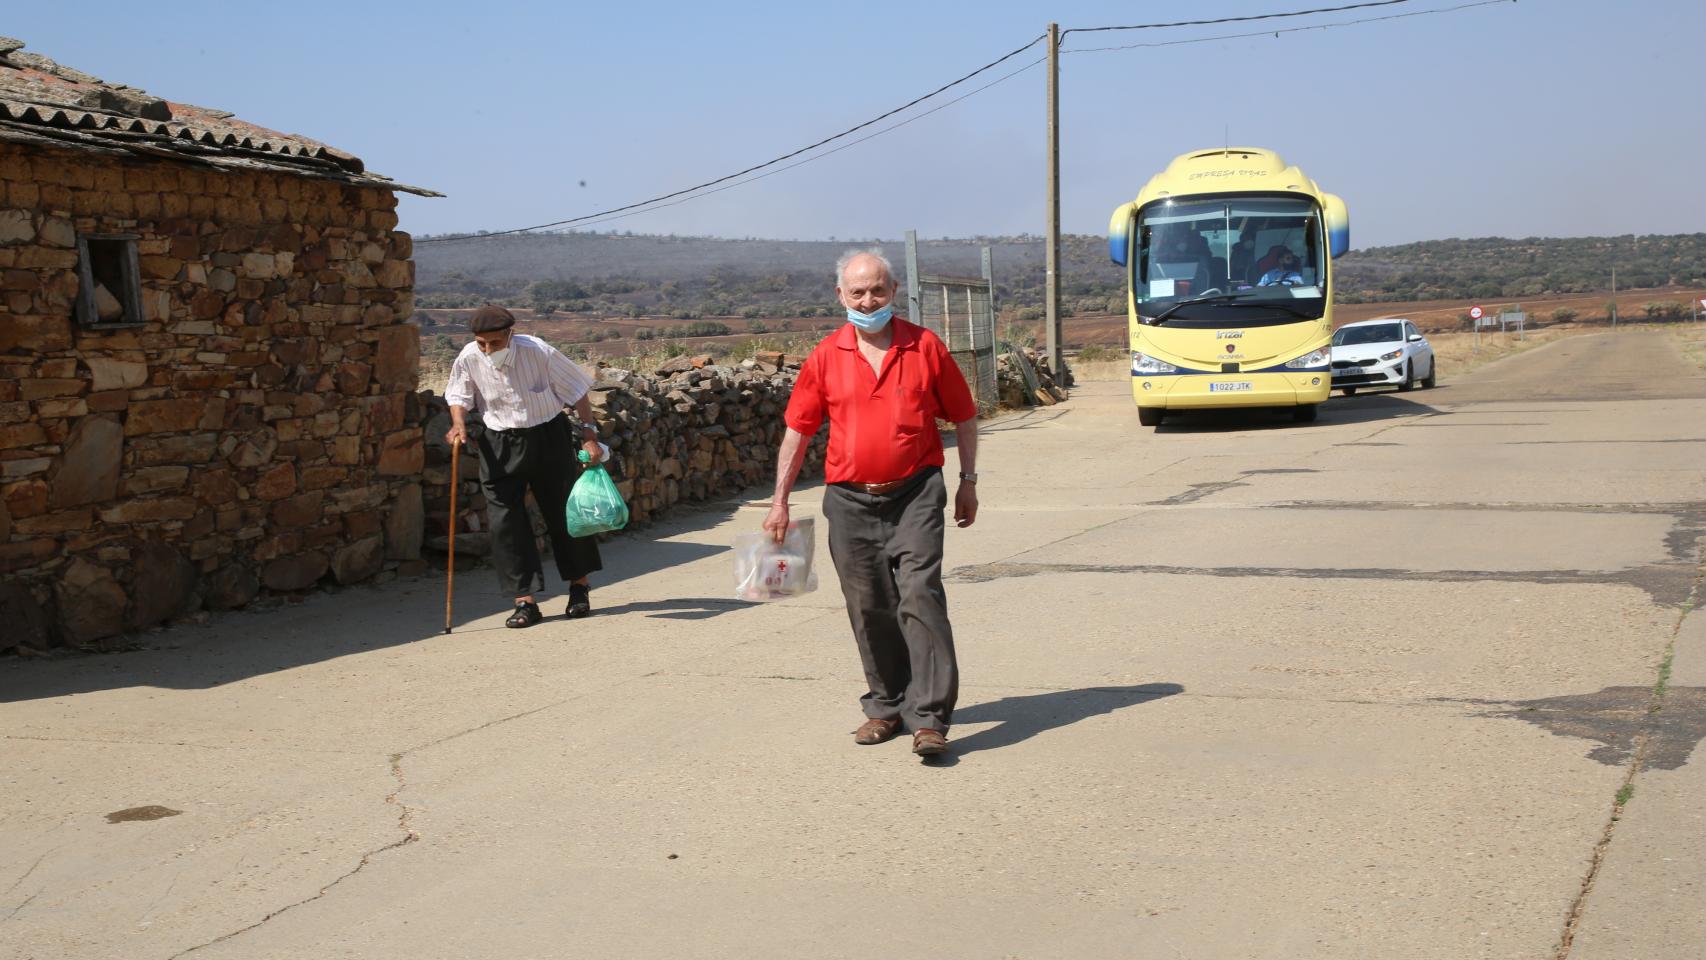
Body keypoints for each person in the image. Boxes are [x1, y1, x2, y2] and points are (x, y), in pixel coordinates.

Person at [764, 250, 980, 757]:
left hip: (917, 492)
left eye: (877, 290)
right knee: (868, 606)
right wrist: (779, 502)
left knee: (920, 595)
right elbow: (798, 431)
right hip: (849, 500)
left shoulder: (925, 347)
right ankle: (886, 707)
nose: (867, 300)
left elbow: (964, 417)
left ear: (894, 291)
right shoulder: (825, 355)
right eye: (857, 292)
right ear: (840, 296)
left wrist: (968, 481)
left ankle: (928, 719)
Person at [443, 305, 610, 628]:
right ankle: (525, 600)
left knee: (563, 512)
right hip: (499, 441)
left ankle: (579, 586)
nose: (487, 349)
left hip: (547, 436)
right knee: (505, 521)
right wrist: (458, 424)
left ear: (510, 334)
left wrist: (590, 435)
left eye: (494, 342)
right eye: (481, 343)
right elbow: (459, 395)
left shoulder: (538, 351)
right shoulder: (468, 356)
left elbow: (577, 390)